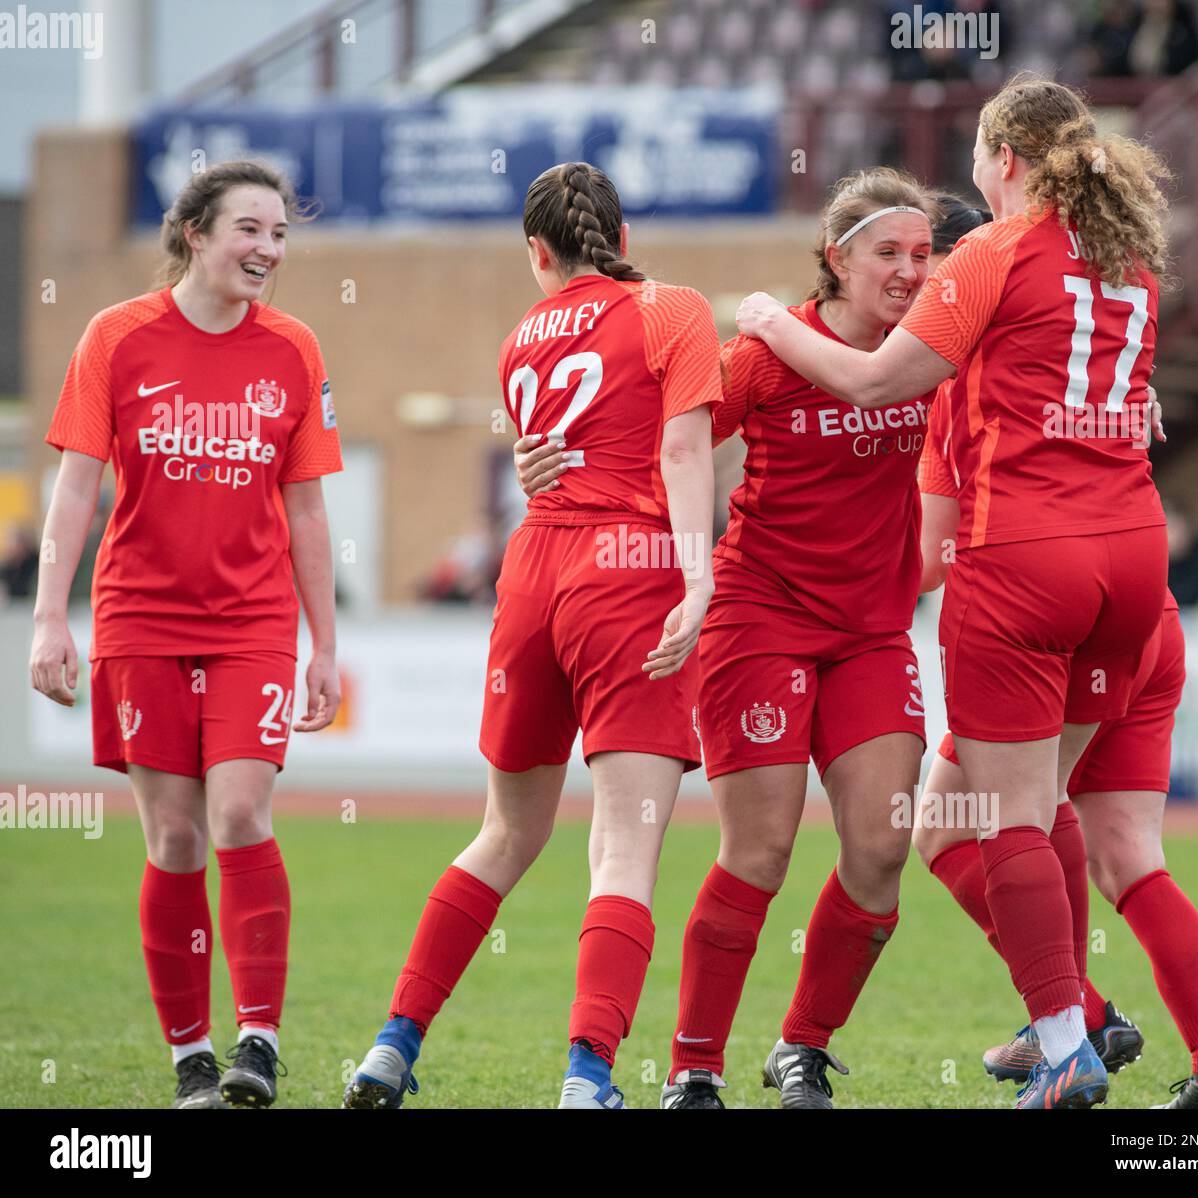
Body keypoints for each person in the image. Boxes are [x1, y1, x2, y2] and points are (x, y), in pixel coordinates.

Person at [736, 73, 1172, 1109]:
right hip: (1132, 563)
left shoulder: (989, 265)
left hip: (1024, 563)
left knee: (1000, 816)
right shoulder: (1125, 260)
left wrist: (764, 318)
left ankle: (1066, 1038)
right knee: (1001, 811)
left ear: (1001, 160)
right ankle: (1092, 1023)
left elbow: (879, 384)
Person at [522, 167, 939, 1109]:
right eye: (890, 253)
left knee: (880, 849)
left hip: (873, 631)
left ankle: (800, 1047)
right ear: (836, 260)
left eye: (924, 253)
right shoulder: (761, 356)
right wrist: (546, 458)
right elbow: (663, 447)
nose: (912, 271)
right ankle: (693, 1067)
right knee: (761, 851)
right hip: (760, 616)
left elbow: (1016, 398)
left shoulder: (930, 354)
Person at [343, 161, 720, 1110]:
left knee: (504, 833)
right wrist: (700, 570)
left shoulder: (520, 339)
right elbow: (678, 448)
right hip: (627, 569)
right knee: (625, 848)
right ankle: (588, 1077)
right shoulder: (673, 309)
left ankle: (392, 1044)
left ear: (536, 254)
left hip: (531, 575)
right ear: (623, 239)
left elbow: (548, 458)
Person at [30, 160, 343, 1109]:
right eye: (250, 229)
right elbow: (77, 487)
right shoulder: (115, 338)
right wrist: (50, 615)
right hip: (140, 616)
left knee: (241, 813)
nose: (269, 251)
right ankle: (191, 1060)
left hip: (251, 620)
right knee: (172, 838)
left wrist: (324, 644)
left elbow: (309, 510)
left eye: (280, 235)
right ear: (194, 234)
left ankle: (257, 1043)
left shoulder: (294, 347)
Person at [915, 377, 1198, 1109]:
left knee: (960, 825)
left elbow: (928, 558)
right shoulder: (1090, 348)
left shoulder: (960, 385)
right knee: (1130, 855)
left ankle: (1076, 1022)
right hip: (1146, 607)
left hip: (1050, 608)